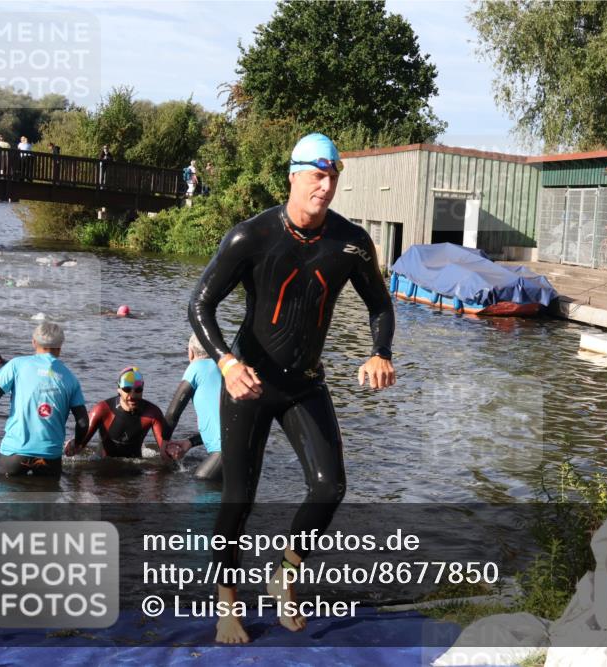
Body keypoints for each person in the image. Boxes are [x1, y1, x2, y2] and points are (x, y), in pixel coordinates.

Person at [189, 132, 396, 643]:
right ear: (293, 176)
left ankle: (286, 569)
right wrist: (227, 362)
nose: (325, 187)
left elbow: (380, 305)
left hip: (304, 383)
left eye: (332, 178)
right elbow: (199, 305)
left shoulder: (350, 242)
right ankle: (227, 606)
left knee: (330, 486)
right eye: (316, 176)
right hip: (251, 383)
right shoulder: (250, 237)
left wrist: (381, 352)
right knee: (238, 497)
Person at [0, 323, 87, 477]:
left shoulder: (17, 365)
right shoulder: (70, 378)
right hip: (49, 455)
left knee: (7, 498)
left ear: (34, 342)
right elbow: (83, 422)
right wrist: (77, 444)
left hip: (15, 452)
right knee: (47, 499)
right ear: (60, 347)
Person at [66, 367, 184, 460]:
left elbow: (164, 452)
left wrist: (171, 451)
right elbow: (79, 446)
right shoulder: (102, 410)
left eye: (138, 390)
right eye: (127, 390)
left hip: (135, 469)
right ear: (118, 389)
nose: (132, 396)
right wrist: (72, 446)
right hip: (102, 466)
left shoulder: (152, 413)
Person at [163, 334, 223, 479]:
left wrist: (163, 445)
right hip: (245, 451)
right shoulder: (228, 369)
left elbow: (173, 413)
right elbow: (219, 425)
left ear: (191, 352)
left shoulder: (196, 367)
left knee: (200, 485)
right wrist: (190, 442)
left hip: (223, 453)